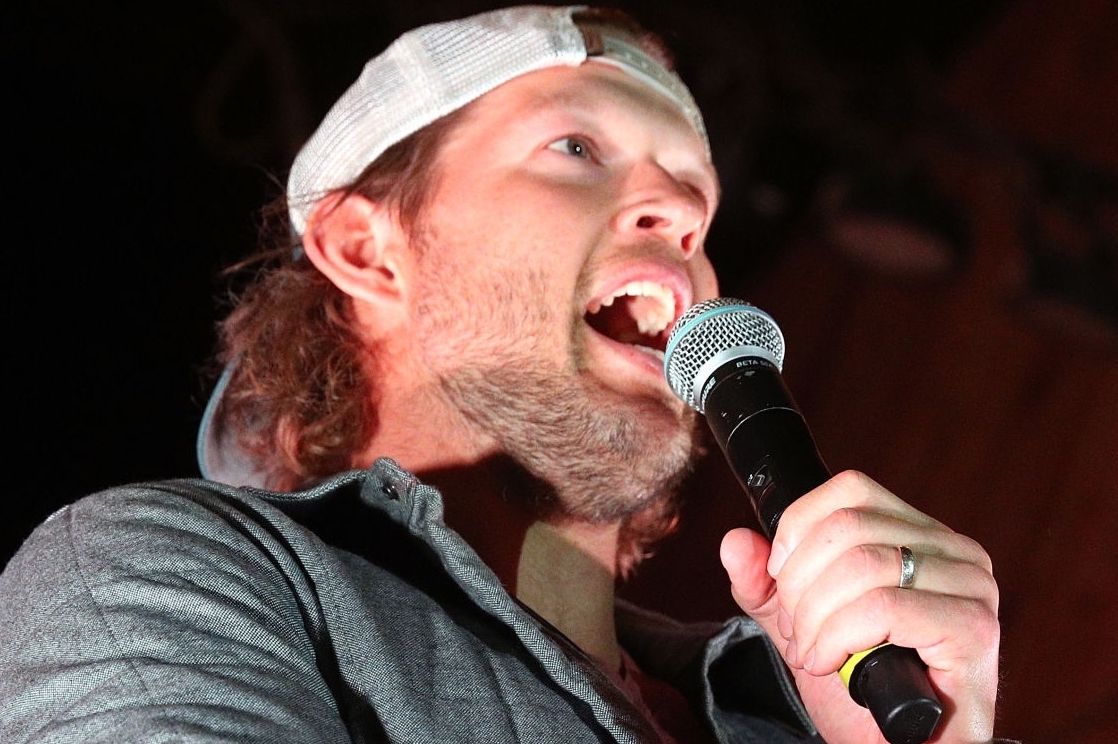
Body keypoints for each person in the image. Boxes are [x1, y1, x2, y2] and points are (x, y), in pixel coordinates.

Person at [0, 6, 1013, 743]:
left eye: (695, 197)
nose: (675, 210)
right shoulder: (168, 576)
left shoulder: (827, 706)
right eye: (575, 147)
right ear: (366, 248)